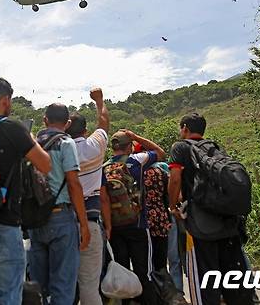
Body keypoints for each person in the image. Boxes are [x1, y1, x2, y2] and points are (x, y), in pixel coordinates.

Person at [0, 78, 51, 305]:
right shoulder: (12, 128)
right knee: (8, 295)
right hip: (4, 223)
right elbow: (45, 165)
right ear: (5, 100)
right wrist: (31, 139)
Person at [168, 112, 253, 305]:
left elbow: (174, 178)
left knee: (204, 278)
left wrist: (173, 206)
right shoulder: (214, 147)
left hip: (199, 224)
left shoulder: (180, 147)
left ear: (185, 129)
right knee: (232, 276)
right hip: (227, 220)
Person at [28, 103, 90, 304]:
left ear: (44, 120)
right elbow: (73, 184)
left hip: (35, 219)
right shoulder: (66, 142)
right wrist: (84, 224)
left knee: (38, 286)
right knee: (63, 287)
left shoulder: (33, 143)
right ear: (68, 123)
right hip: (60, 217)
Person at [105, 129, 165, 305]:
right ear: (129, 146)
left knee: (123, 271)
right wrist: (136, 137)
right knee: (143, 272)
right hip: (137, 224)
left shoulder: (105, 167)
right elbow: (160, 153)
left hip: (115, 227)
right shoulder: (136, 160)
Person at [66, 88, 110, 305]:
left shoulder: (57, 150)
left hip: (62, 223)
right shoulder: (95, 147)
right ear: (85, 130)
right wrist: (99, 100)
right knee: (90, 286)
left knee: (62, 285)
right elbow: (103, 122)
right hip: (90, 224)